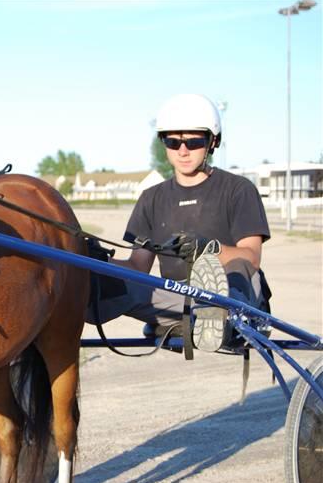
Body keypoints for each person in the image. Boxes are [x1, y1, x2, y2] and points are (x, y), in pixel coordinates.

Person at [87, 93, 271, 352]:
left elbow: (252, 257)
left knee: (237, 267)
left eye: (193, 141)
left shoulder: (238, 190)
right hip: (178, 297)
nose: (182, 150)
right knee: (111, 282)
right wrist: (96, 259)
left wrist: (207, 249)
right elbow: (137, 267)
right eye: (173, 142)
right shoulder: (151, 198)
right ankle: (83, 301)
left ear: (212, 141)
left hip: (237, 296)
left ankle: (219, 315)